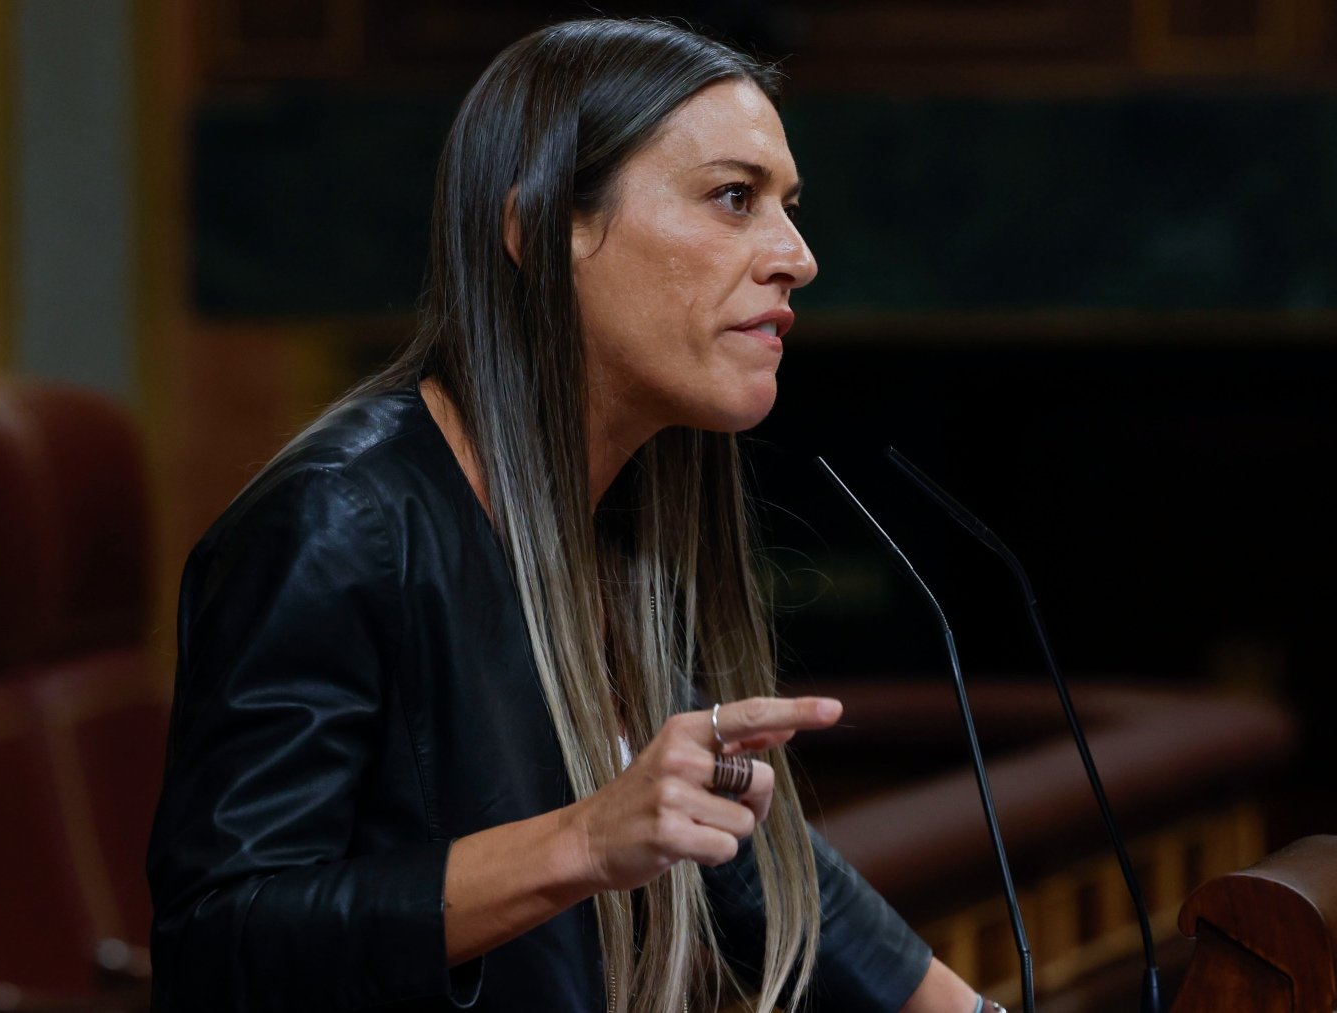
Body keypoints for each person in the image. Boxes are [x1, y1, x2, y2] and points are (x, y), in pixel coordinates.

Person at [146, 18, 1000, 1013]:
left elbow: (736, 858)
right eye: (735, 198)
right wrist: (584, 840)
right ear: (544, 230)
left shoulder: (621, 506)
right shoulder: (335, 521)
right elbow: (219, 940)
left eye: (789, 206)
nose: (797, 256)